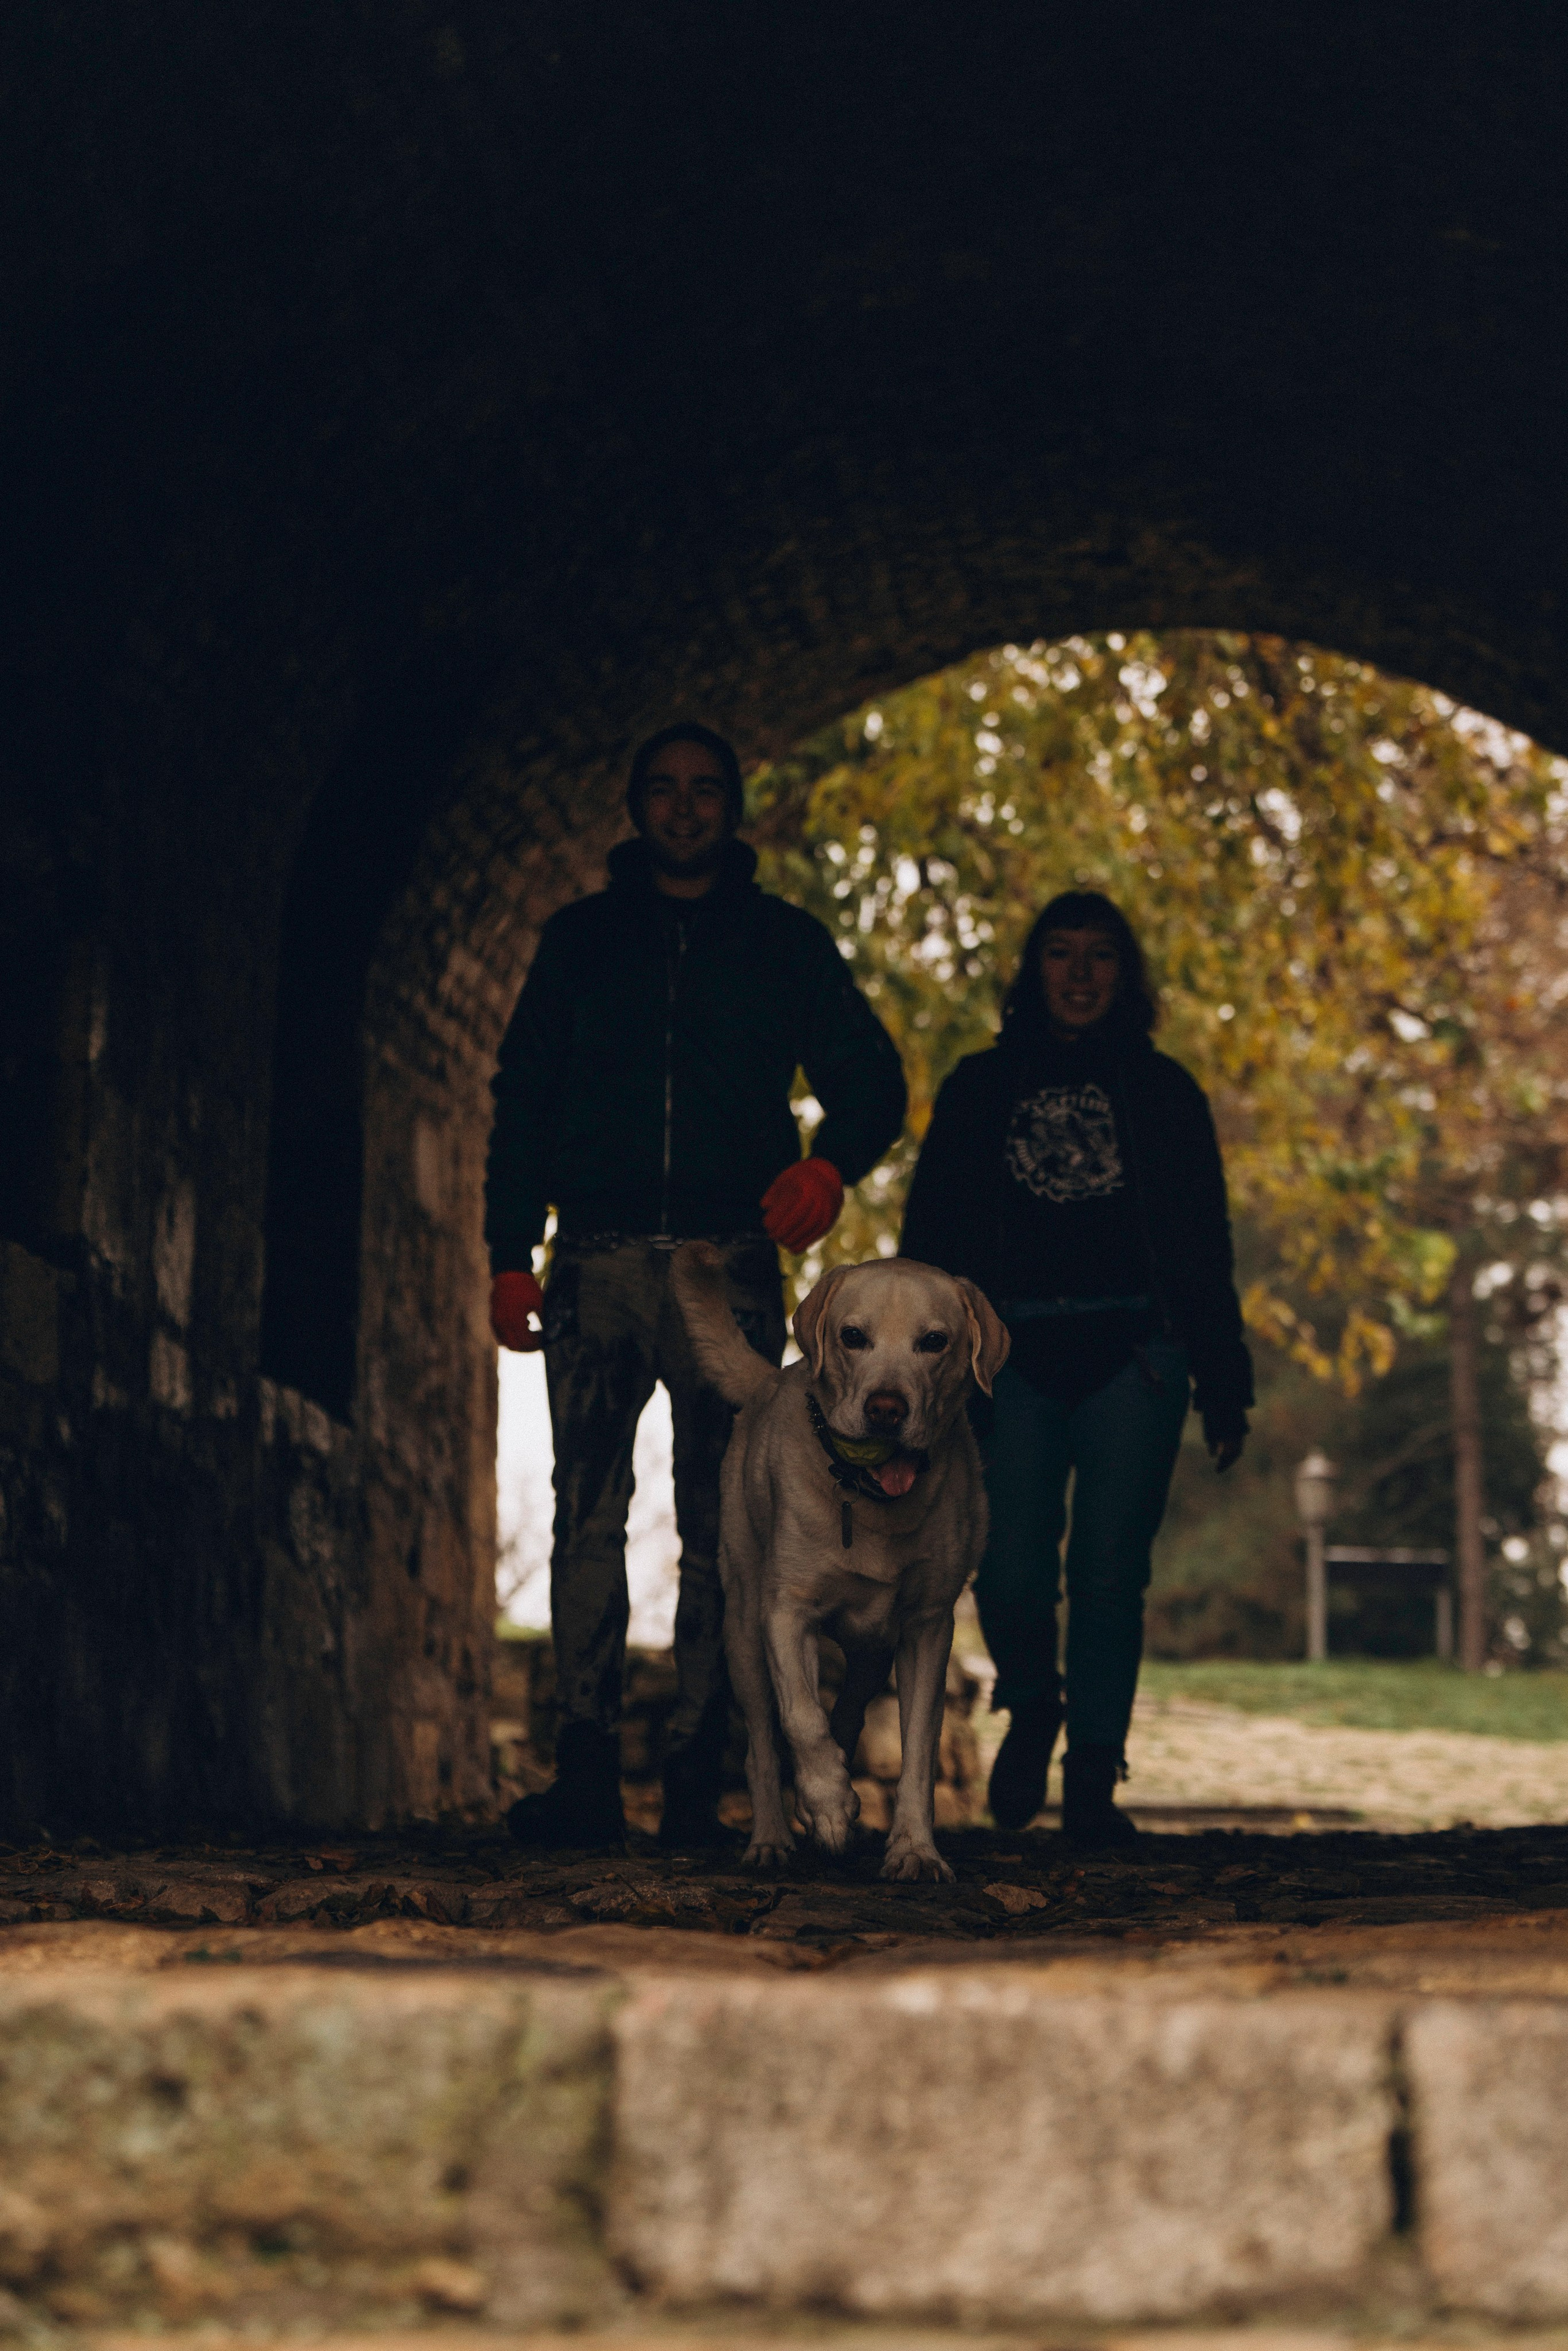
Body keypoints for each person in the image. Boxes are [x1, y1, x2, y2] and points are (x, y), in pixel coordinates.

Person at [485, 722, 907, 1850]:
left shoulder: (783, 945)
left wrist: (829, 1163)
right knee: (589, 1510)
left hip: (729, 1264)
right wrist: (504, 1252)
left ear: (733, 805)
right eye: (663, 790)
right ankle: (583, 1770)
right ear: (634, 804)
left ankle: (702, 1775)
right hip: (597, 1257)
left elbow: (874, 1082)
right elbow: (522, 1092)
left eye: (704, 789)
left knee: (732, 1526)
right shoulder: (578, 942)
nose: (683, 808)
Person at [900, 891, 1251, 1849]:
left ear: (1125, 974)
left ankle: (1094, 1777)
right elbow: (928, 1239)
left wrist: (1224, 1378)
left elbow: (1203, 1241)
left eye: (1101, 955)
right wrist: (927, 1375)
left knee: (1108, 1572)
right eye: (1061, 953)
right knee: (1006, 1567)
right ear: (1034, 970)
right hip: (1007, 1358)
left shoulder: (1166, 1092)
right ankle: (1032, 1699)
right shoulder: (980, 1087)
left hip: (1135, 1356)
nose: (1081, 973)